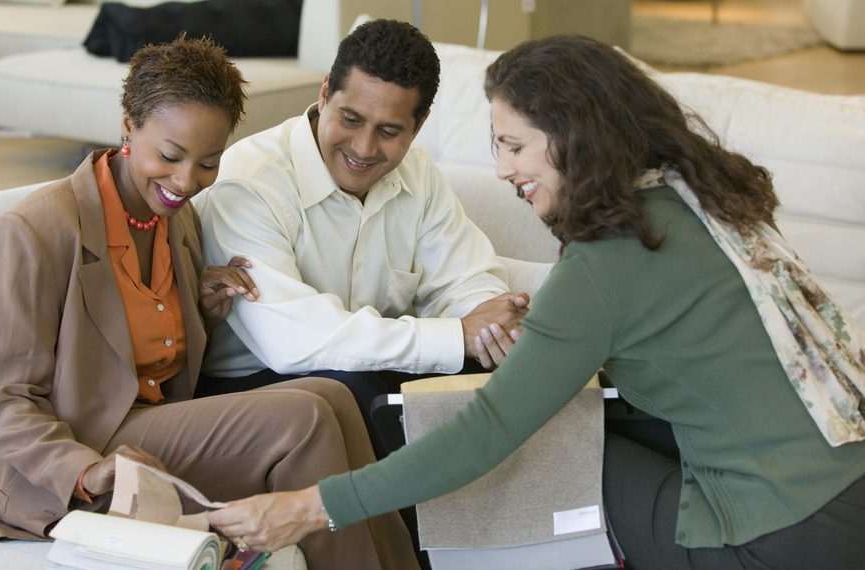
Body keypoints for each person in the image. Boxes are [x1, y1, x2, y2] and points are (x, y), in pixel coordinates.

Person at [205, 36, 865, 569]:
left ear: (574, 136)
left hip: (780, 537)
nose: (501, 169)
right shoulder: (698, 195)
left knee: (544, 445)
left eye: (515, 146)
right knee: (588, 423)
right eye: (497, 145)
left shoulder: (609, 260)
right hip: (848, 486)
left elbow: (487, 431)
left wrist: (307, 508)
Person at [0, 36, 418, 570]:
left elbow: (153, 356)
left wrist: (201, 312)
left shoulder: (177, 222)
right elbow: (2, 398)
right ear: (128, 125)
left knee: (333, 395)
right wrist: (84, 469)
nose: (185, 182)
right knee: (304, 417)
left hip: (148, 434)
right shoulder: (38, 228)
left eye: (208, 163)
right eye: (170, 156)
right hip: (75, 453)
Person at [196, 19, 529, 446]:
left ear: (419, 125)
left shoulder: (418, 173)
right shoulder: (250, 181)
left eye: (388, 131)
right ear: (324, 93)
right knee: (362, 392)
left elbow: (466, 277)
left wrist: (491, 325)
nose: (364, 148)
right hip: (253, 386)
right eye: (350, 119)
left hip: (370, 370)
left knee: (488, 373)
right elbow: (294, 341)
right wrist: (455, 336)